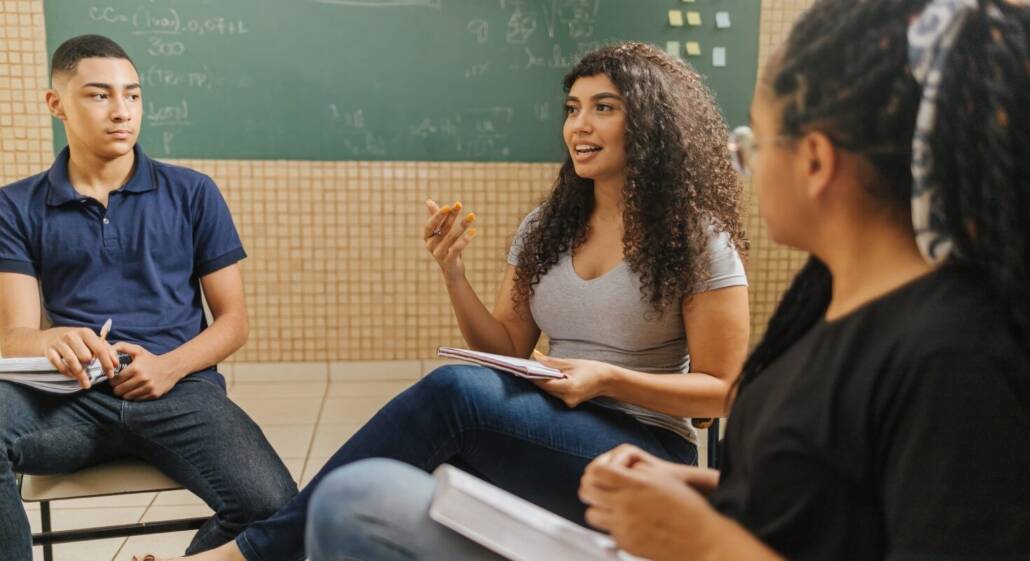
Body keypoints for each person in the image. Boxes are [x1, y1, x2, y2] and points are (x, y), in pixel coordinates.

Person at [301, 0, 1030, 559]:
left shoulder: (954, 360)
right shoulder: (823, 301)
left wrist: (701, 535)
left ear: (815, 161)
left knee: (402, 458)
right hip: (666, 511)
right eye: (573, 109)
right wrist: (701, 491)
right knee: (360, 497)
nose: (741, 164)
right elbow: (820, 504)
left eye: (753, 139)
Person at [143, 41, 750, 561]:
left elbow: (721, 392)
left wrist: (606, 380)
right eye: (571, 110)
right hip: (556, 428)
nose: (578, 126)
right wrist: (452, 271)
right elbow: (506, 348)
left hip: (645, 451)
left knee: (455, 393)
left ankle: (249, 553)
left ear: (649, 125)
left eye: (603, 109)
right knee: (440, 430)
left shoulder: (697, 240)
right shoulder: (548, 226)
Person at [0, 35, 297, 561]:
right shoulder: (15, 206)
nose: (122, 112)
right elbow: (14, 336)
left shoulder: (193, 192)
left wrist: (169, 367)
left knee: (276, 509)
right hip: (71, 397)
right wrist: (53, 340)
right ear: (56, 104)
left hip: (180, 390)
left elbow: (233, 322)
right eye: (99, 96)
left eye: (132, 96)